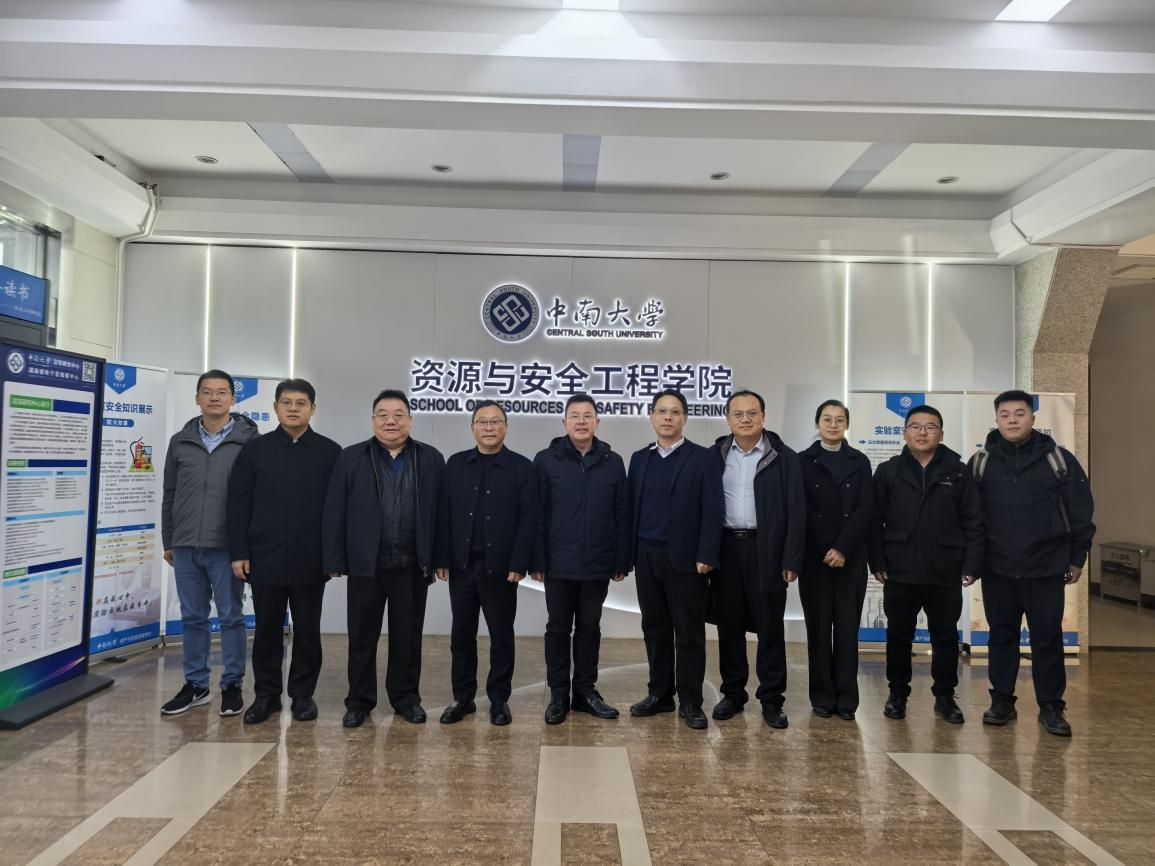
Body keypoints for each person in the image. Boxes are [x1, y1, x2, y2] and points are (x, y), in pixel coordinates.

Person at [969, 390, 1095, 737]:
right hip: (997, 567)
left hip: (1046, 566)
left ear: (1033, 418)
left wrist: (1077, 556)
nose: (1012, 420)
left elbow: (1081, 511)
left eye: (1020, 413)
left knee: (1047, 638)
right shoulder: (981, 462)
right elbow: (970, 518)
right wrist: (972, 562)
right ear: (996, 419)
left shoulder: (1059, 460)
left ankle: (1051, 706)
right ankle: (1002, 701)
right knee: (1001, 636)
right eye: (1005, 414)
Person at [323, 389, 449, 728]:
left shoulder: (430, 458)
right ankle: (359, 702)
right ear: (373, 420)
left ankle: (406, 699)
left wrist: (440, 558)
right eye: (383, 415)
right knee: (361, 637)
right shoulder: (351, 457)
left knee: (407, 637)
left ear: (410, 420)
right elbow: (335, 511)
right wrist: (334, 559)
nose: (390, 421)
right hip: (366, 565)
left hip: (412, 564)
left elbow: (441, 514)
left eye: (398, 415)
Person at [226, 378, 340, 725]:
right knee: (267, 631)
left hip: (311, 558)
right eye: (286, 402)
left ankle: (303, 696)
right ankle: (266, 695)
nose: (293, 408)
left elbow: (338, 510)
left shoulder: (330, 452)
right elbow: (238, 504)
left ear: (313, 409)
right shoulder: (255, 451)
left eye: (301, 403)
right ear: (275, 407)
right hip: (264, 557)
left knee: (307, 631)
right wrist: (239, 551)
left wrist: (334, 556)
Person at [868, 405, 983, 725]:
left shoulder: (958, 471)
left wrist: (971, 564)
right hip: (900, 568)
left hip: (945, 568)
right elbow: (874, 521)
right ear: (905, 432)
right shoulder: (889, 471)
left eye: (930, 427)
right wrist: (877, 560)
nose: (922, 432)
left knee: (944, 636)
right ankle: (897, 693)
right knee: (898, 635)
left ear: (941, 434)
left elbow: (973, 520)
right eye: (915, 426)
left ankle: (945, 696)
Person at [160, 370, 259, 716]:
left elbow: (256, 497)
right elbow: (169, 492)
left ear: (233, 398)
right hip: (186, 544)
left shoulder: (249, 442)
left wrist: (246, 547)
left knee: (231, 616)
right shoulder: (180, 441)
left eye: (221, 392)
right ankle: (196, 684)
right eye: (207, 392)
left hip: (227, 546)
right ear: (197, 398)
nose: (214, 398)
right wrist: (169, 539)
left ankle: (232, 683)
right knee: (192, 618)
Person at [626, 390, 723, 730]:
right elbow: (630, 510)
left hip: (687, 560)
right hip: (646, 556)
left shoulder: (703, 458)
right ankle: (660, 694)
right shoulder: (640, 458)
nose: (668, 417)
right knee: (654, 628)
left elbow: (714, 509)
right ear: (652, 417)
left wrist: (707, 553)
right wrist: (628, 556)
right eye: (661, 411)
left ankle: (691, 701)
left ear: (685, 418)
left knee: (688, 632)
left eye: (675, 412)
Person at [709, 389, 806, 730]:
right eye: (738, 414)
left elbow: (797, 511)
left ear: (764, 417)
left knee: (770, 627)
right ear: (728, 419)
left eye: (752, 413)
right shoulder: (715, 456)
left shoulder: (784, 457)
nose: (746, 419)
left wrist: (791, 559)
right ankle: (733, 693)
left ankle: (772, 699)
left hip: (767, 550)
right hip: (726, 550)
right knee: (729, 626)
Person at [532, 393, 630, 725]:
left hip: (598, 563)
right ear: (564, 422)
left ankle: (585, 692)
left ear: (597, 422)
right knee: (558, 629)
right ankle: (559, 694)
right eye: (575, 416)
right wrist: (537, 559)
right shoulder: (546, 460)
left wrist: (621, 559)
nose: (581, 421)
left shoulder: (612, 462)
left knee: (590, 628)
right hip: (558, 563)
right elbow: (537, 513)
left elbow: (622, 513)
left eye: (588, 416)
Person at [439, 401, 537, 727]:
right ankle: (462, 698)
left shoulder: (522, 468)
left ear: (506, 427)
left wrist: (519, 563)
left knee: (501, 636)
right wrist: (442, 558)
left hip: (502, 569)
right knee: (461, 635)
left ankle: (498, 700)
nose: (489, 427)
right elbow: (444, 515)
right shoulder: (455, 464)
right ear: (472, 429)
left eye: (496, 421)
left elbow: (528, 521)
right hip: (462, 567)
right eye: (483, 422)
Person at [797, 399, 873, 720]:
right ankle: (822, 696)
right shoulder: (802, 461)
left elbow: (865, 508)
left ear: (846, 424)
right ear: (817, 423)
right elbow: (803, 509)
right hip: (815, 559)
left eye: (839, 419)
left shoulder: (860, 461)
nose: (832, 424)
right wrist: (828, 546)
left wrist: (842, 547)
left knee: (846, 630)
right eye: (826, 419)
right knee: (818, 630)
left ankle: (846, 699)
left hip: (851, 558)